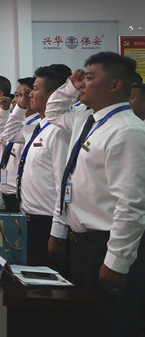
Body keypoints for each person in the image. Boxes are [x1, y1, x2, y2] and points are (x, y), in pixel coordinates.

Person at [47, 52, 145, 337]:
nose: (83, 84)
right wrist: (70, 85)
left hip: (105, 245)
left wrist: (116, 262)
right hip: (80, 242)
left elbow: (131, 205)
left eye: (89, 78)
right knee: (84, 323)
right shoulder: (86, 119)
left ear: (115, 85)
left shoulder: (128, 131)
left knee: (110, 324)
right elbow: (53, 111)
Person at [2, 65, 73, 264]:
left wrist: (58, 231)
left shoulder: (59, 131)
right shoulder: (36, 128)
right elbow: (8, 134)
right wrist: (20, 107)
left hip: (47, 221)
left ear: (53, 94)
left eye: (34, 89)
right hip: (27, 215)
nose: (29, 95)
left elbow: (63, 183)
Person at [0, 77, 37, 212]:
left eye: (19, 96)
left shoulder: (36, 126)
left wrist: (20, 108)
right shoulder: (20, 124)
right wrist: (3, 110)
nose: (14, 100)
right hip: (6, 190)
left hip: (21, 195)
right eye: (16, 95)